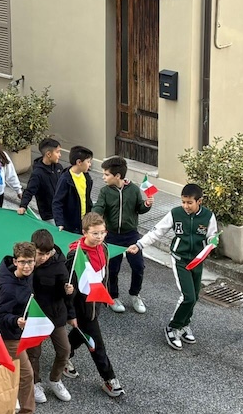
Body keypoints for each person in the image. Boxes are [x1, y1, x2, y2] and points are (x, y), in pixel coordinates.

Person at [129, 184, 218, 351]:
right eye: (183, 202)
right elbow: (157, 231)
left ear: (199, 201)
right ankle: (173, 327)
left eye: (189, 202)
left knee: (195, 296)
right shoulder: (175, 213)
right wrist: (139, 245)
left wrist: (214, 241)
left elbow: (212, 235)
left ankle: (185, 324)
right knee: (188, 297)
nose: (185, 206)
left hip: (198, 260)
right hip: (180, 260)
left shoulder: (208, 216)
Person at [65, 213, 125, 397]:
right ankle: (109, 379)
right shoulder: (75, 256)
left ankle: (64, 355)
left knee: (83, 332)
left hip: (96, 300)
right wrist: (71, 314)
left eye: (102, 233)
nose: (99, 237)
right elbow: (70, 288)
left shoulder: (104, 247)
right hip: (82, 303)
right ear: (84, 233)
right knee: (96, 341)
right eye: (94, 234)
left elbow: (103, 273)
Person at [93, 156, 154, 314]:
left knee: (138, 266)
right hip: (112, 236)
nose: (103, 177)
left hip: (131, 235)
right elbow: (99, 208)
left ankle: (135, 294)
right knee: (112, 269)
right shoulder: (105, 191)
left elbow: (139, 208)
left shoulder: (133, 189)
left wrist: (146, 205)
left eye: (106, 174)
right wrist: (92, 221)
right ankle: (113, 296)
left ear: (117, 176)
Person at [0, 242, 41, 414]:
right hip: (10, 335)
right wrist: (15, 320)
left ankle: (7, 398)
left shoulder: (28, 276)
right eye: (22, 262)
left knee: (6, 369)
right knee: (26, 373)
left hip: (22, 332)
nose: (27, 266)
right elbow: (0, 314)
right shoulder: (7, 288)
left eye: (30, 262)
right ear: (15, 262)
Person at [28, 229, 75, 404]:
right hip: (34, 316)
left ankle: (55, 379)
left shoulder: (59, 265)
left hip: (55, 315)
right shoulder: (25, 260)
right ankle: (34, 382)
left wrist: (69, 292)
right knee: (34, 353)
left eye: (46, 254)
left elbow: (67, 295)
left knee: (64, 350)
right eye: (40, 254)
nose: (43, 257)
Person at [18, 138, 64, 224]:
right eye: (57, 152)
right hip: (49, 215)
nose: (60, 155)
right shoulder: (37, 174)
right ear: (49, 154)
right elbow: (29, 191)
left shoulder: (59, 167)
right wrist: (23, 206)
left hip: (61, 211)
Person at [52, 145, 94, 233]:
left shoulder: (86, 177)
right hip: (71, 226)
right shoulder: (65, 180)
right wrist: (59, 222)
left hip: (84, 222)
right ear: (79, 162)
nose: (90, 164)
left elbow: (87, 198)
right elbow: (57, 202)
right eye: (88, 162)